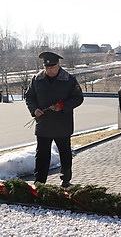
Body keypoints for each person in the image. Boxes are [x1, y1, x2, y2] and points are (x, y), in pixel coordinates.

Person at [25, 51, 84, 188]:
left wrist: (63, 106)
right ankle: (40, 182)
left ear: (58, 65)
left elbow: (78, 98)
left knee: (65, 153)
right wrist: (34, 110)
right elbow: (29, 97)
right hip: (43, 123)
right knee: (42, 155)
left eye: (52, 67)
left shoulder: (69, 79)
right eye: (47, 68)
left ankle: (66, 179)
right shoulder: (36, 79)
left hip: (62, 124)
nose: (49, 70)